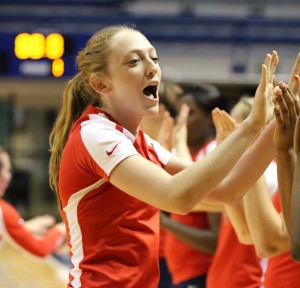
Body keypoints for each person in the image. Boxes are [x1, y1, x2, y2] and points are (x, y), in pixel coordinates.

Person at [48, 24, 278, 287]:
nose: (152, 67)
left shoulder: (140, 142)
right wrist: (251, 126)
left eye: (154, 57)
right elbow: (176, 197)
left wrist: (273, 126)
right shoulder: (95, 134)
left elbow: (227, 192)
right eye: (134, 61)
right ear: (101, 83)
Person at [160, 84, 226, 288]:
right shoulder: (190, 153)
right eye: (179, 113)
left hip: (202, 273)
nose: (182, 121)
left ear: (210, 118)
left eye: (190, 113)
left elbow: (215, 240)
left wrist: (164, 222)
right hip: (181, 272)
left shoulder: (212, 154)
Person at [0, 145, 65, 258]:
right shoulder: (4, 212)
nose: (8, 176)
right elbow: (40, 249)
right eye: (7, 170)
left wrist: (24, 227)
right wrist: (60, 229)